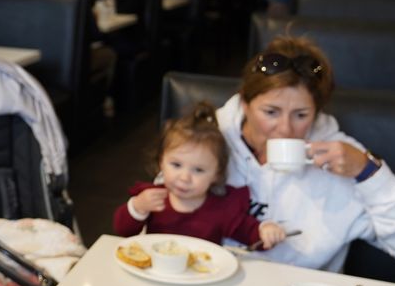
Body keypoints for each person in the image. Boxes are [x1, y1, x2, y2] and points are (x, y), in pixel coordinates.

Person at [215, 36, 395, 271]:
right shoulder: (206, 140)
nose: (285, 128)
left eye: (301, 115)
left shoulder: (343, 159)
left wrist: (368, 173)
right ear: (244, 102)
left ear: (316, 112)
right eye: (271, 112)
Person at [113, 102, 287, 249]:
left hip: (202, 280)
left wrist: (266, 230)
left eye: (198, 170)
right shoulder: (152, 198)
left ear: (216, 175)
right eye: (176, 165)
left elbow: (251, 235)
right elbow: (123, 230)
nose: (184, 177)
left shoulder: (222, 209)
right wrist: (138, 207)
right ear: (161, 162)